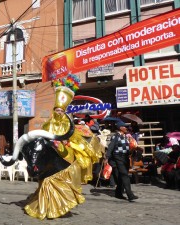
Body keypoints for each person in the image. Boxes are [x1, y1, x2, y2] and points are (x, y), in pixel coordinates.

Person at [24, 86, 103, 219]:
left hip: (65, 154)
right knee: (47, 180)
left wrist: (65, 142)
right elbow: (43, 137)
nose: (59, 112)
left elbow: (72, 136)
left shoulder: (68, 124)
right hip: (50, 155)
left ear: (64, 111)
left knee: (66, 179)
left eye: (61, 110)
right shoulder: (48, 124)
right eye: (57, 110)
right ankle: (47, 207)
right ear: (54, 110)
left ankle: (61, 206)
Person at [104, 121, 138, 202]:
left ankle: (118, 193)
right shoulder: (115, 137)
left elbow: (127, 149)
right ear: (120, 128)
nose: (127, 128)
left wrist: (132, 149)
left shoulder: (126, 137)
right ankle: (130, 194)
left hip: (125, 157)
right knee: (125, 175)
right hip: (118, 157)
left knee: (121, 177)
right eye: (125, 127)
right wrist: (107, 157)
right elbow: (111, 147)